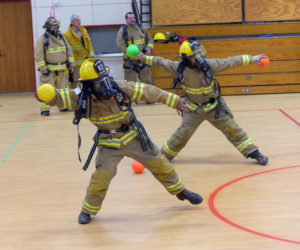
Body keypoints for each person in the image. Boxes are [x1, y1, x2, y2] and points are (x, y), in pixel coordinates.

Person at [36, 58, 203, 224]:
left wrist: (175, 101)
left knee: (160, 163)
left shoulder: (120, 87)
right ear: (88, 85)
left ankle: (180, 191)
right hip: (108, 143)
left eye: (105, 79)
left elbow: (148, 91)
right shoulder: (80, 97)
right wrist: (46, 95)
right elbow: (59, 97)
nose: (105, 84)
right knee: (101, 177)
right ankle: (87, 210)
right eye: (99, 82)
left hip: (133, 136)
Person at [136, 40, 269, 165]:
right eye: (195, 55)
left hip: (214, 108)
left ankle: (254, 153)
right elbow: (160, 62)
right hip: (193, 110)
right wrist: (143, 58)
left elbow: (230, 62)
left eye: (199, 54)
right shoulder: (179, 68)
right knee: (182, 135)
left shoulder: (209, 65)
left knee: (233, 130)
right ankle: (164, 157)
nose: (199, 58)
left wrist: (253, 58)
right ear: (187, 59)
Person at [34, 17, 75, 116]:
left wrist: (72, 65)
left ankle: (63, 106)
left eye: (57, 26)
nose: (55, 28)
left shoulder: (62, 38)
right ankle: (45, 109)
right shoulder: (43, 39)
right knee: (46, 90)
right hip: (49, 71)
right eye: (53, 26)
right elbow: (38, 55)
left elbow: (69, 52)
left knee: (63, 90)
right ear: (48, 28)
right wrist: (43, 68)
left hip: (62, 70)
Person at [116, 12, 154, 102]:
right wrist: (129, 52)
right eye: (130, 18)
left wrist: (149, 48)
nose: (132, 19)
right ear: (126, 19)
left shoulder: (141, 28)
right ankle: (131, 100)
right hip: (130, 62)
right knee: (130, 83)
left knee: (147, 81)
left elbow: (150, 40)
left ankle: (150, 99)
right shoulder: (123, 31)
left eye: (133, 17)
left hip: (143, 59)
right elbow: (119, 46)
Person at [63, 14, 95, 88]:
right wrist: (70, 64)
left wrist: (92, 57)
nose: (79, 22)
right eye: (77, 20)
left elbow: (89, 44)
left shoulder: (84, 31)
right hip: (75, 65)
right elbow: (66, 50)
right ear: (72, 22)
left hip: (86, 63)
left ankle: (86, 97)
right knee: (76, 83)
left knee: (87, 81)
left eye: (79, 20)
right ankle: (76, 97)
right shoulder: (66, 34)